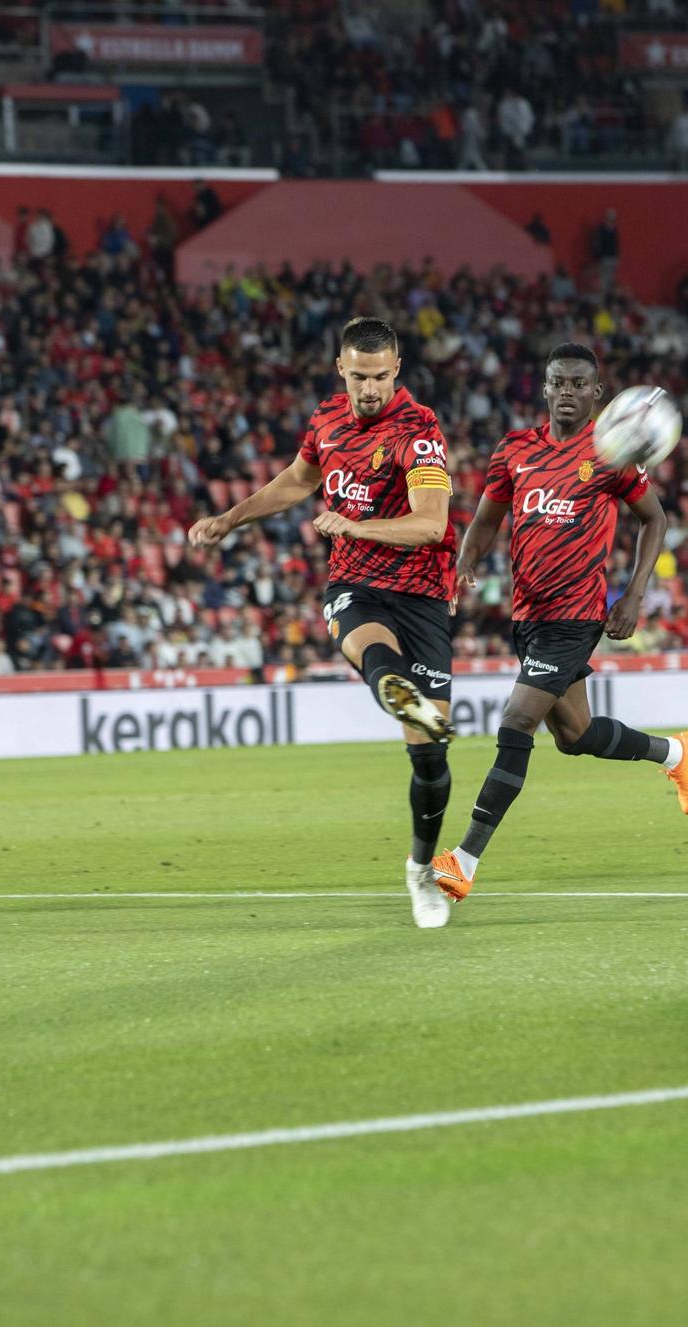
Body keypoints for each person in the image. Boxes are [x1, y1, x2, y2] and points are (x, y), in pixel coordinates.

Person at [188, 318, 458, 927]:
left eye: (381, 377)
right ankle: (397, 691)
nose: (370, 389)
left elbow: (432, 524)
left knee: (430, 761)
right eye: (360, 376)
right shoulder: (327, 419)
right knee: (373, 651)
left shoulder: (421, 431)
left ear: (398, 370)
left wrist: (353, 525)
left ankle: (420, 869)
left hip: (420, 596)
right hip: (355, 587)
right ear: (342, 368)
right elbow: (298, 481)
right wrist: (231, 519)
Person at [432, 344, 688, 904]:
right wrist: (464, 564)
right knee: (575, 737)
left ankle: (464, 859)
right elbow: (486, 519)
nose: (569, 393)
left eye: (581, 384)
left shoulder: (613, 454)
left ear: (598, 393)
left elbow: (655, 518)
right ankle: (676, 754)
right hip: (528, 615)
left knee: (515, 724)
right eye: (560, 382)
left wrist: (633, 594)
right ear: (546, 387)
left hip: (576, 616)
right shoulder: (514, 449)